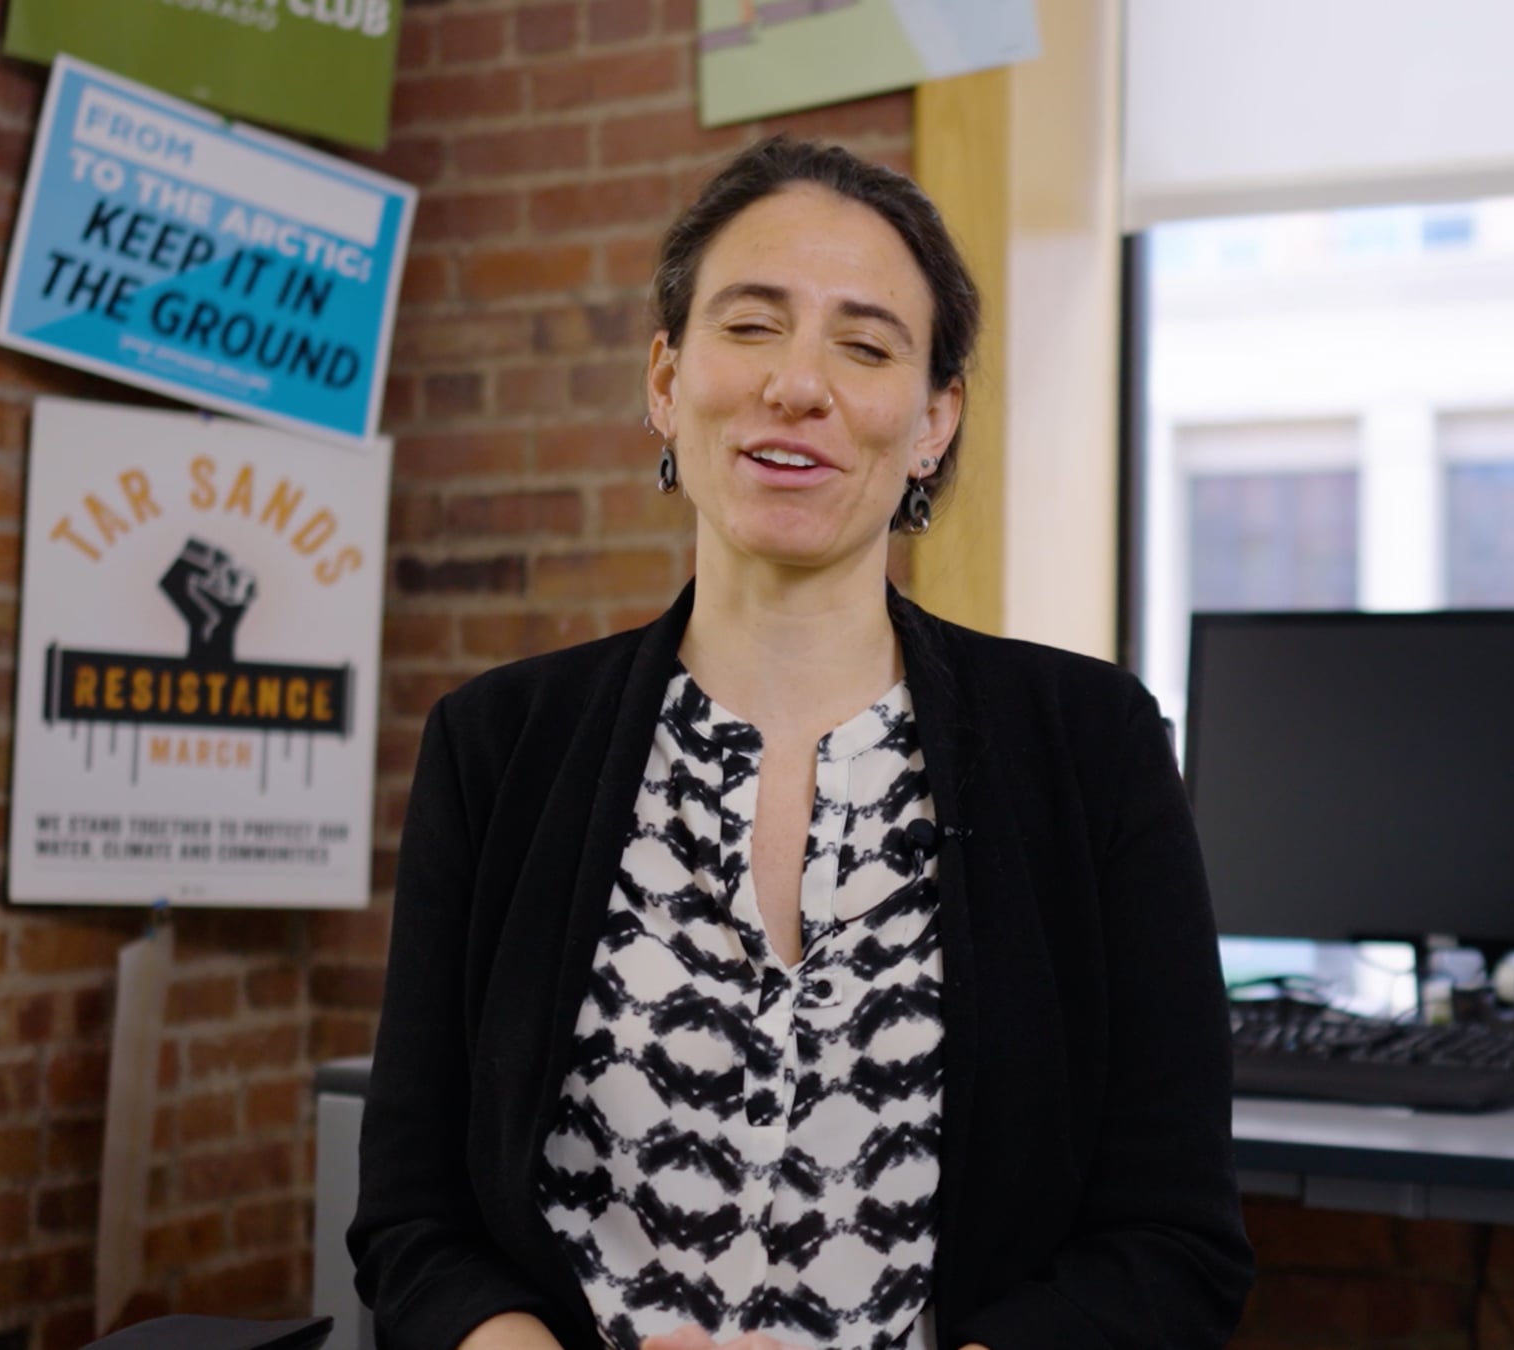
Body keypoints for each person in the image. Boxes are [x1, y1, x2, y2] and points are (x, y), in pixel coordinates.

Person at [349, 137, 1253, 1350]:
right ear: (667, 380)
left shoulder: (1092, 747)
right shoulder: (497, 747)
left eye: (865, 347)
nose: (797, 385)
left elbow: (1173, 1246)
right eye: (751, 327)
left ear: (934, 420)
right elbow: (414, 1222)